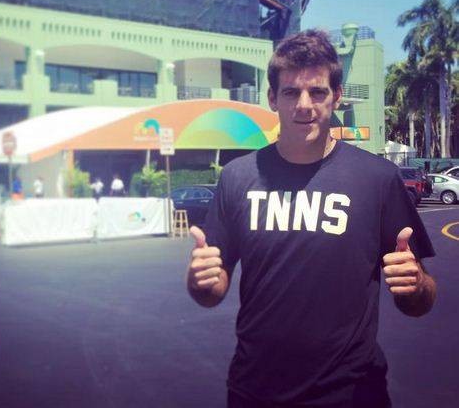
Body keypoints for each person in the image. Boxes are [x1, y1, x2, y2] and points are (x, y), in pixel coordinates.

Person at [186, 30, 436, 408]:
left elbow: (421, 301)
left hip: (354, 394)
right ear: (272, 98)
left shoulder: (377, 179)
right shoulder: (238, 177)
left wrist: (415, 284)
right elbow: (211, 292)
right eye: (291, 92)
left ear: (337, 96)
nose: (304, 105)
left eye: (317, 92)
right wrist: (200, 280)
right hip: (254, 391)